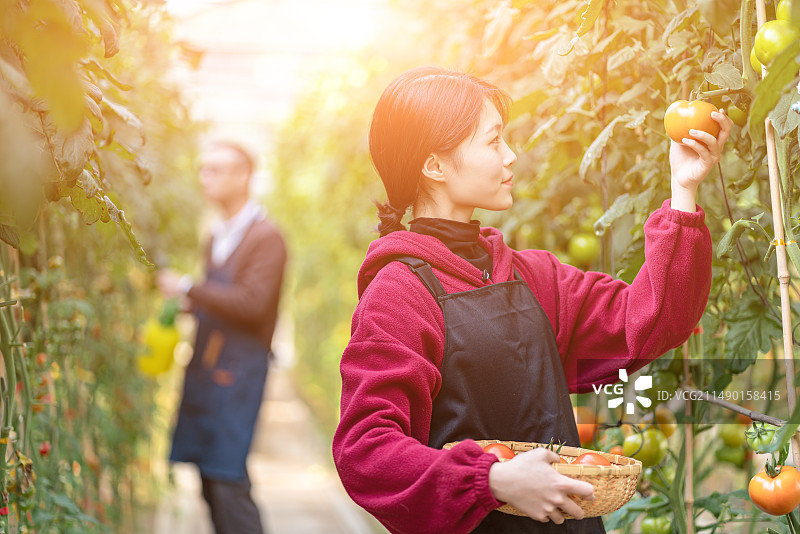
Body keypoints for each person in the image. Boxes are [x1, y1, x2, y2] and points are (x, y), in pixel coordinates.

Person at [332, 66, 732, 534]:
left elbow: (644, 323)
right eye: (493, 141)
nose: (511, 156)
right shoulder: (400, 294)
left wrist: (682, 190)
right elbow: (367, 451)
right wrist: (491, 480)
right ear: (434, 166)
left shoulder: (531, 275)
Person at [157, 140, 287, 534]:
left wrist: (188, 287)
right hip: (206, 372)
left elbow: (251, 304)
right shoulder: (217, 236)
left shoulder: (266, 238)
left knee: (228, 478)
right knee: (209, 480)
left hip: (237, 377)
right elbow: (221, 300)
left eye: (215, 170)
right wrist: (188, 305)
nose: (205, 179)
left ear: (243, 176)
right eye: (203, 170)